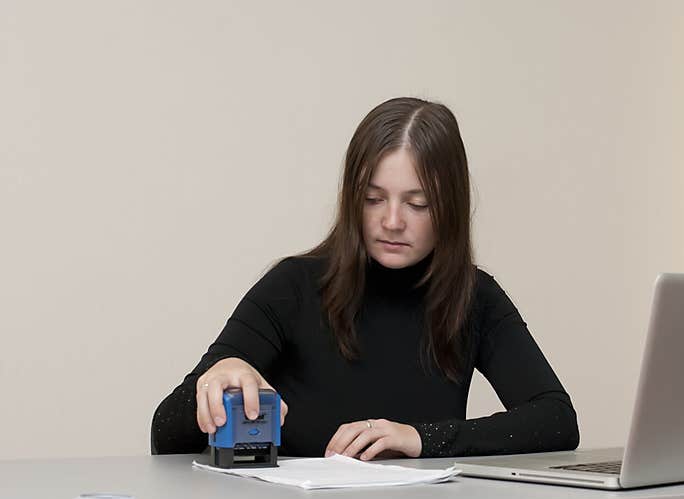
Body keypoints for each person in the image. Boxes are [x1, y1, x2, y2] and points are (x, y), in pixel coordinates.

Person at [151, 97, 579, 460]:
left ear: (450, 208)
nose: (392, 221)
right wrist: (222, 373)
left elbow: (556, 419)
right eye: (374, 199)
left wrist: (420, 438)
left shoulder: (475, 297)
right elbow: (165, 434)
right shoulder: (293, 286)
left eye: (418, 204)